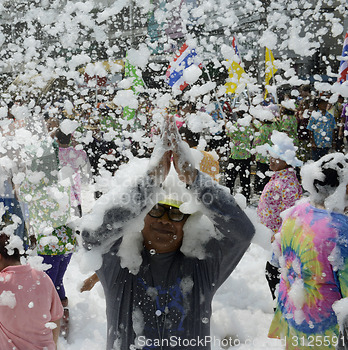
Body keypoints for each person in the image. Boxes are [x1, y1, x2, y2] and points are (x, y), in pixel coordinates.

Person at [81, 116, 255, 350]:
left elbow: (242, 232)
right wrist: (150, 184)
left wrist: (194, 180)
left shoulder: (202, 268)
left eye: (175, 214)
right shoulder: (120, 267)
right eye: (156, 211)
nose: (164, 220)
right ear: (140, 217)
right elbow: (92, 237)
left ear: (187, 223)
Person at [268, 153, 348, 349]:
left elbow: (275, 262)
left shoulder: (294, 213)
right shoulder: (341, 230)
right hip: (327, 333)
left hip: (295, 322)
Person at [256, 131, 303, 301]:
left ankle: (282, 306)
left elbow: (291, 214)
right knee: (274, 274)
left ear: (286, 160)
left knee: (275, 274)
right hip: (275, 236)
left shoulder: (288, 182)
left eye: (275, 157)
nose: (270, 159)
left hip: (282, 239)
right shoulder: (280, 176)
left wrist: (279, 237)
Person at [307, 95, 336, 161]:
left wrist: (333, 141)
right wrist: (312, 142)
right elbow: (310, 129)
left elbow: (333, 129)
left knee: (326, 162)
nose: (325, 105)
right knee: (316, 161)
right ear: (318, 105)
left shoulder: (330, 116)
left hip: (327, 143)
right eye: (323, 103)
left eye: (326, 103)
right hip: (317, 143)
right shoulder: (314, 116)